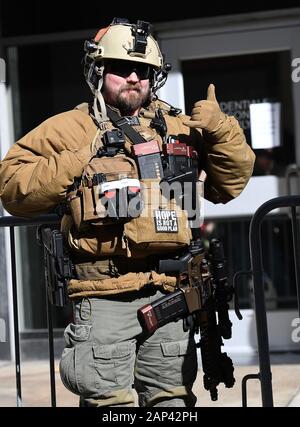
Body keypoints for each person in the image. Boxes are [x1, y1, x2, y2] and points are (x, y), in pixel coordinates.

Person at [0, 17, 255, 407]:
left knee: (172, 404)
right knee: (110, 406)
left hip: (172, 293)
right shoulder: (69, 128)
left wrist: (222, 131)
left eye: (144, 71)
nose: (133, 77)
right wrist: (82, 157)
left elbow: (230, 184)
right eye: (121, 68)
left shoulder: (178, 126)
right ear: (99, 72)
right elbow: (12, 188)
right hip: (103, 297)